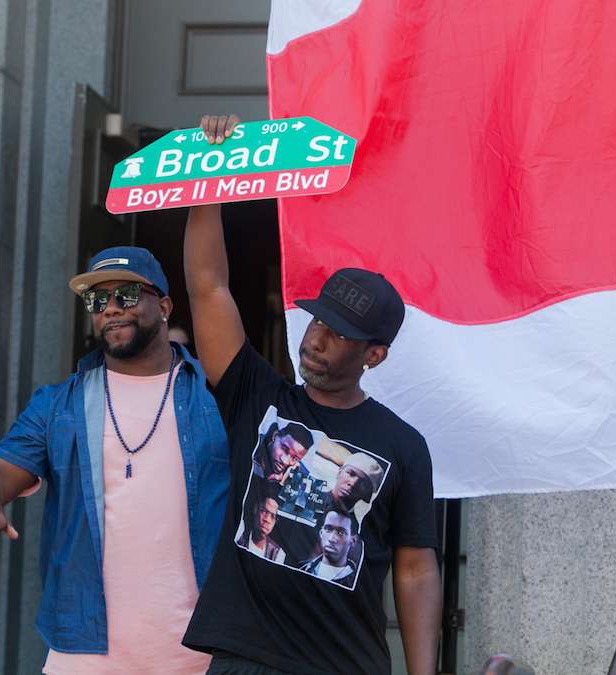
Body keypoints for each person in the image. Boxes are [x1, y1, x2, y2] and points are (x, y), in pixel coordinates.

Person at [180, 115, 442, 675]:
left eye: (339, 333)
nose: (317, 339)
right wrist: (209, 172)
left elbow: (416, 567)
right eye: (317, 321)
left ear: (374, 355)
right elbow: (208, 287)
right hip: (243, 659)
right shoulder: (258, 397)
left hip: (344, 665)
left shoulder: (403, 445)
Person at [0, 247, 229, 674]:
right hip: (84, 653)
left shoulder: (215, 397)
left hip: (200, 654)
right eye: (97, 301)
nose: (111, 309)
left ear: (164, 305)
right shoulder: (58, 405)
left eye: (125, 294)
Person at [299, 510, 360, 589]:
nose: (331, 539)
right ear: (321, 533)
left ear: (353, 541)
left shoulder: (356, 581)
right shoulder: (302, 567)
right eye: (328, 529)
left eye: (341, 533)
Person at [235, 490, 284, 564]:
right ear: (255, 509)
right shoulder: (240, 534)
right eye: (263, 511)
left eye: (273, 516)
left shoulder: (278, 553)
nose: (267, 519)